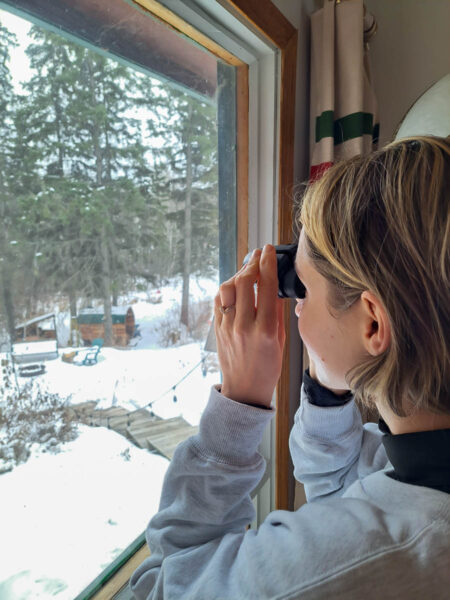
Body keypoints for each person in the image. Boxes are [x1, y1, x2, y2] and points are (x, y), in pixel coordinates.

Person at [130, 135, 450, 599]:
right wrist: (335, 368)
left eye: (305, 290)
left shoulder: (336, 570)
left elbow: (161, 585)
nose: (295, 306)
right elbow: (344, 491)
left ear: (374, 322)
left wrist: (237, 409)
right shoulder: (420, 467)